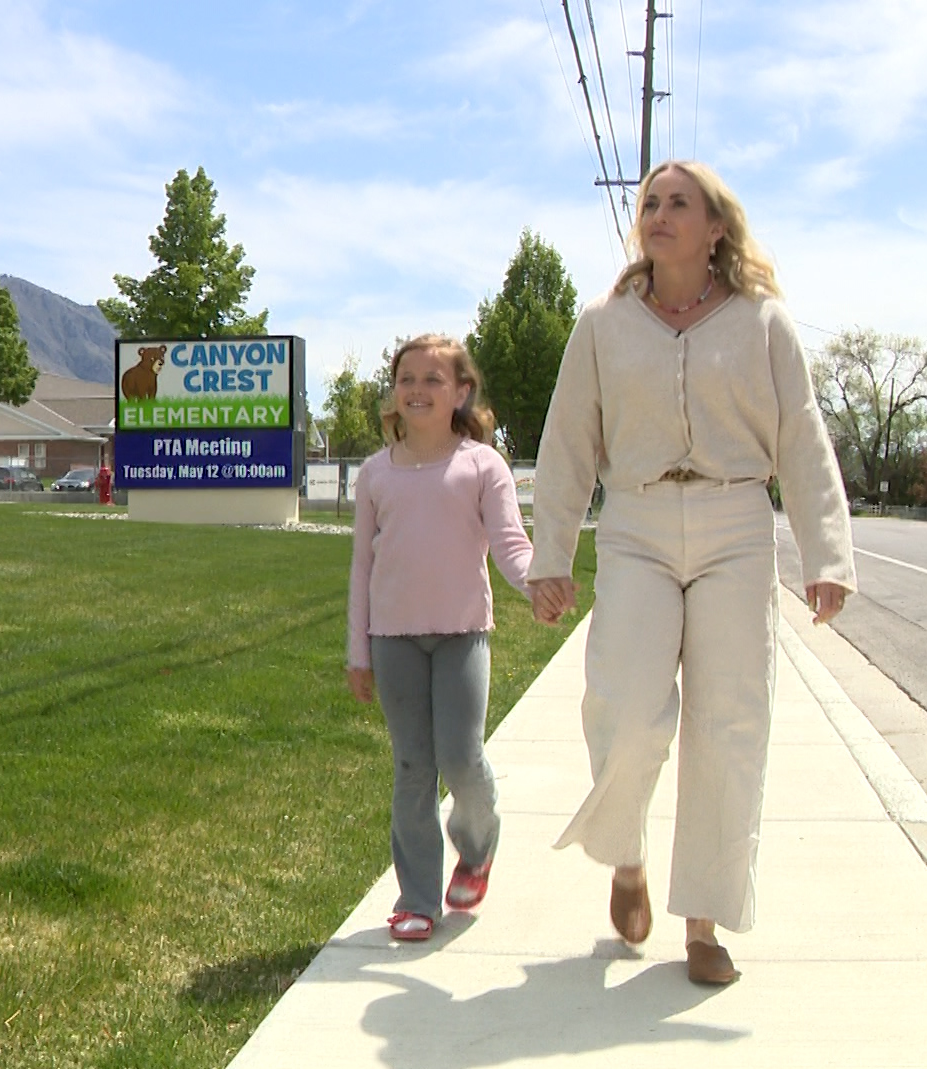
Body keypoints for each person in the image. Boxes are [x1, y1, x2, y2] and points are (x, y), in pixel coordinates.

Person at [527, 161, 855, 985]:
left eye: (679, 203)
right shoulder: (602, 323)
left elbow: (804, 442)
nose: (659, 213)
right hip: (635, 521)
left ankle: (703, 920)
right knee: (623, 707)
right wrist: (552, 557)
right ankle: (625, 851)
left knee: (731, 723)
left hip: (736, 525)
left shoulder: (763, 323)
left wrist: (827, 556)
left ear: (716, 227)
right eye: (649, 203)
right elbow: (568, 443)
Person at [348, 334, 535, 942]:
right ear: (394, 393)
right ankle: (418, 898)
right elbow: (362, 569)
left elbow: (509, 545)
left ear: (461, 392)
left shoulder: (483, 465)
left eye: (433, 380)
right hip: (394, 639)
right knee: (412, 766)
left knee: (460, 756)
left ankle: (477, 847)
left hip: (462, 636)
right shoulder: (375, 474)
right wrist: (359, 651)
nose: (418, 390)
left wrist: (539, 586)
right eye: (407, 379)